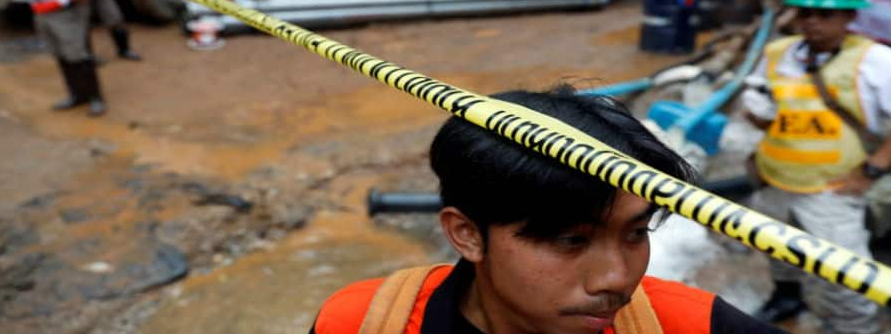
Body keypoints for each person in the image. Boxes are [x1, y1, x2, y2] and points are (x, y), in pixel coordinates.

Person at [311, 85, 788, 334]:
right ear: (467, 234)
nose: (617, 279)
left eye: (636, 234)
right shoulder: (363, 323)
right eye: (570, 240)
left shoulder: (692, 325)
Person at [747, 0, 891, 333]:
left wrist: (873, 169)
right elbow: (763, 107)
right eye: (805, 12)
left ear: (849, 16)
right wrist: (756, 113)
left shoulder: (877, 60)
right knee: (775, 246)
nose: (812, 22)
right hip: (775, 178)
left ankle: (857, 326)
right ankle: (787, 295)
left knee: (846, 275)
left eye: (825, 14)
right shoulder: (778, 53)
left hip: (832, 191)